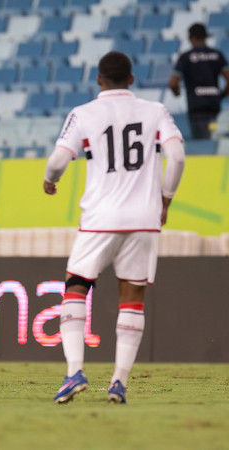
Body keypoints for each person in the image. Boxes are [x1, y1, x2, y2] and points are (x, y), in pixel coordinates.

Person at [44, 51, 185, 404]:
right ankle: (119, 381)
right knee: (132, 299)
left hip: (100, 219)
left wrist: (50, 181)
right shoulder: (156, 111)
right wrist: (165, 198)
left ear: (98, 80)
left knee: (76, 288)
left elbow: (59, 160)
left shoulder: (84, 113)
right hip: (144, 219)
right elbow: (178, 156)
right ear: (132, 80)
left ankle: (75, 371)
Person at [168, 23, 229, 139]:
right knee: (216, 140)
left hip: (196, 107)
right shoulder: (217, 54)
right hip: (214, 105)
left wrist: (177, 93)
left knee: (202, 144)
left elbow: (173, 83)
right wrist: (221, 95)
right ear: (206, 37)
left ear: (191, 38)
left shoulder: (186, 57)